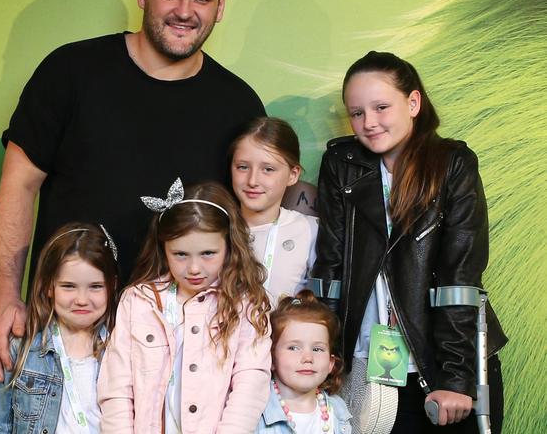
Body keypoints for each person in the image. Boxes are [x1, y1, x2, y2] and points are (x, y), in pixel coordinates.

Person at [0, 0, 265, 384]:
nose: (185, 12)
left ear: (221, 6)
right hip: (62, 336)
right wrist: (6, 297)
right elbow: (18, 185)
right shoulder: (70, 71)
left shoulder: (239, 105)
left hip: (177, 355)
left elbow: (249, 227)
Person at [310, 51, 507, 433]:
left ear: (413, 102)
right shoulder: (341, 164)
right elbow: (330, 267)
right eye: (357, 113)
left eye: (381, 107)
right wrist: (325, 358)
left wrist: (455, 378)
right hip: (371, 369)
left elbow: (460, 275)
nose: (368, 123)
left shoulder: (453, 163)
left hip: (445, 362)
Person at [97, 179, 272, 433]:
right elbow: (116, 388)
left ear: (229, 247)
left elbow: (250, 384)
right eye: (180, 254)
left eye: (208, 254)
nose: (194, 268)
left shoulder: (246, 304)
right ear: (163, 248)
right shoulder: (137, 301)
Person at [0, 223, 120, 433]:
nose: (82, 300)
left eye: (95, 286)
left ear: (112, 285)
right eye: (68, 286)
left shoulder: (123, 348)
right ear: (49, 287)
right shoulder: (20, 348)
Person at [230, 117, 318, 305]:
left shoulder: (309, 230)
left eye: (268, 169)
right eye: (243, 167)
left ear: (293, 175)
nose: (252, 180)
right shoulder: (215, 228)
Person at [255, 290, 352, 434]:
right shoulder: (256, 407)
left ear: (331, 363)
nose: (308, 358)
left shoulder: (338, 410)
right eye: (293, 348)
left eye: (317, 349)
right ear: (271, 357)